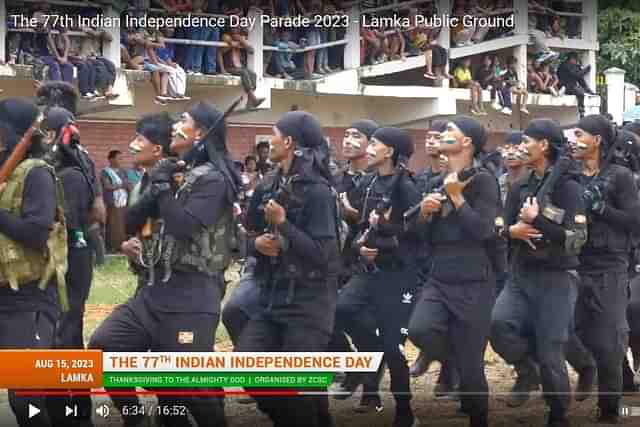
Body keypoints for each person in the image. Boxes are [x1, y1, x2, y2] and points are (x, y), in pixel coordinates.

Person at [90, 103, 239, 427]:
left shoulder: (212, 180)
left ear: (199, 133)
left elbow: (184, 226)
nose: (176, 125)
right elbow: (133, 221)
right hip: (154, 290)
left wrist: (162, 189)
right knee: (105, 345)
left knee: (187, 387)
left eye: (184, 120)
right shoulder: (175, 171)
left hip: (192, 293)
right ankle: (135, 417)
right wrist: (156, 184)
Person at [236, 111, 341, 427]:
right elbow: (249, 228)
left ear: (290, 141)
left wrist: (284, 226)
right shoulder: (271, 182)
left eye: (275, 133)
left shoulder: (318, 191)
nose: (270, 139)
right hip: (272, 297)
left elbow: (325, 256)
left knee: (298, 388)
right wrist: (256, 244)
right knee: (247, 365)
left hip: (309, 302)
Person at [491, 119, 587, 427]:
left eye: (527, 141)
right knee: (498, 325)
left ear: (543, 145)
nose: (521, 147)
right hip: (521, 274)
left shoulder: (569, 188)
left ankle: (558, 413)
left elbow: (577, 239)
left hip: (556, 277)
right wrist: (511, 231)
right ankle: (527, 370)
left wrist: (539, 221)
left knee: (551, 349)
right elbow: (500, 227)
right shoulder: (521, 186)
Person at [408, 117, 499, 427]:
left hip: (474, 279)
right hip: (439, 275)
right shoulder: (439, 182)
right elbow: (418, 235)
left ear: (468, 143)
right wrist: (423, 214)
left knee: (473, 368)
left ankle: (478, 419)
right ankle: (453, 361)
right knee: (420, 329)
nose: (443, 136)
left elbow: (484, 230)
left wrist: (457, 197)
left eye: (451, 132)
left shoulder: (484, 180)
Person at [564, 115, 640, 423]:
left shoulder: (620, 176)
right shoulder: (568, 175)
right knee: (569, 331)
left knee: (609, 339)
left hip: (610, 265)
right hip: (571, 263)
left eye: (579, 133)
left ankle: (611, 409)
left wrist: (601, 208)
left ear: (597, 139)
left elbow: (634, 221)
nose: (573, 139)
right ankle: (589, 368)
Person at [344, 127, 421, 427]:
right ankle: (370, 349)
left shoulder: (407, 187)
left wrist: (386, 240)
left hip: (399, 275)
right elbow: (364, 228)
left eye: (374, 143)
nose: (369, 147)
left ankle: (405, 411)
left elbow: (416, 235)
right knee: (342, 309)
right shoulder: (371, 181)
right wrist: (361, 247)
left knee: (394, 345)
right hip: (369, 271)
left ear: (389, 152)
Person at [0, 97, 68, 427]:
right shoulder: (5, 171)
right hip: (3, 293)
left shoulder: (36, 174)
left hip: (28, 298)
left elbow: (36, 233)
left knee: (26, 394)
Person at [330, 120, 387, 413]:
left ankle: (371, 391)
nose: (348, 140)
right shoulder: (337, 179)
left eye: (357, 136)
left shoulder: (378, 179)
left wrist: (354, 216)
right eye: (347, 134)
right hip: (335, 263)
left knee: (365, 326)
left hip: (366, 264)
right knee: (328, 319)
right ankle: (350, 366)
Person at [101, 150, 129, 252]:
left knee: (122, 224)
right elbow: (108, 186)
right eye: (118, 158)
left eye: (121, 158)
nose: (121, 160)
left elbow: (128, 184)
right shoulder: (105, 172)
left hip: (123, 202)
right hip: (112, 203)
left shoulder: (123, 171)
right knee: (112, 224)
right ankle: (111, 247)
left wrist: (119, 186)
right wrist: (121, 185)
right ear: (111, 159)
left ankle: (121, 246)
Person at [558, 52, 595, 118]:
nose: (576, 61)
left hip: (571, 86)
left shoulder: (575, 66)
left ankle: (582, 110)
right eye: (576, 60)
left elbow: (580, 79)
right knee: (580, 92)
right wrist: (586, 70)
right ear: (572, 59)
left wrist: (587, 88)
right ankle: (581, 111)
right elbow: (576, 75)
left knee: (580, 91)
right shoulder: (565, 65)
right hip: (564, 86)